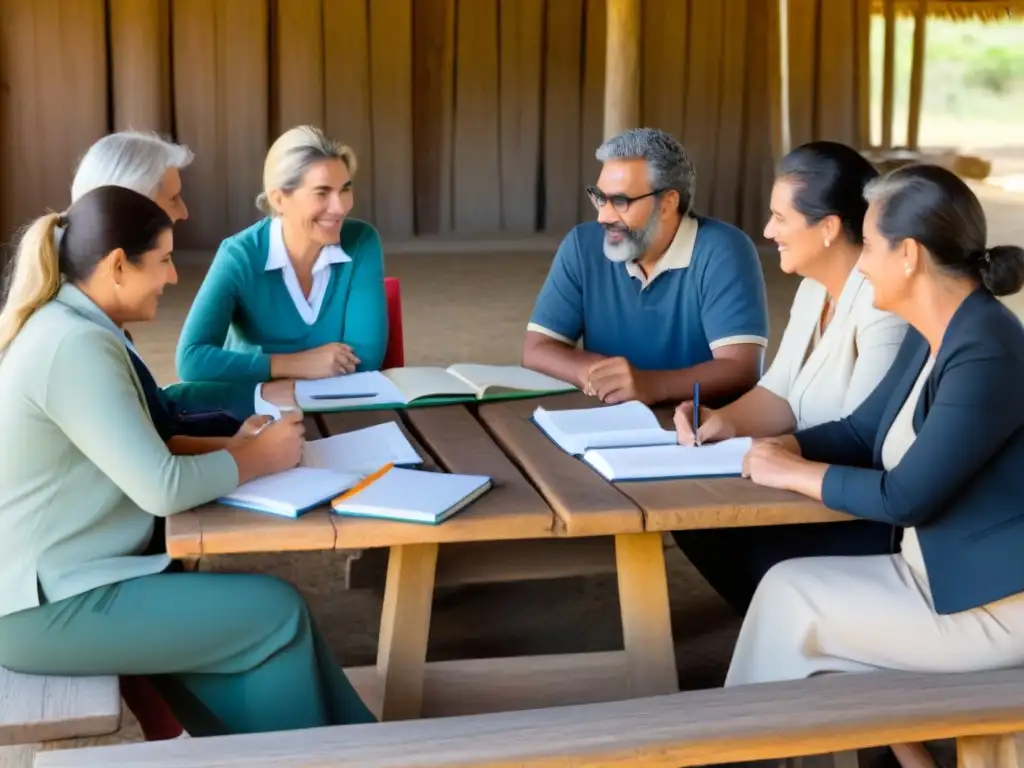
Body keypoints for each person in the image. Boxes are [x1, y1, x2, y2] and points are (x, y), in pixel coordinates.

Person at [0, 186, 376, 736]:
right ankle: (346, 751)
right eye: (165, 260)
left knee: (270, 632)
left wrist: (239, 450)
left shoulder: (70, 325)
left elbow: (141, 448)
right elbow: (162, 488)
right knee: (274, 614)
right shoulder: (73, 344)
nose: (174, 277)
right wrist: (257, 460)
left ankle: (362, 748)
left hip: (64, 584)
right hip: (41, 608)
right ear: (118, 266)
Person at [726, 165, 1024, 768]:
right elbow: (865, 431)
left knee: (796, 609)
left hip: (992, 607)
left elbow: (905, 498)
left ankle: (742, 746)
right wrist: (793, 446)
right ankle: (749, 744)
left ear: (909, 255)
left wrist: (792, 474)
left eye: (871, 244)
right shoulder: (934, 329)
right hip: (936, 578)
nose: (860, 263)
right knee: (785, 586)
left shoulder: (987, 348)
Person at [671, 142, 909, 614]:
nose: (766, 230)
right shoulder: (812, 289)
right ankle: (781, 623)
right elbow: (779, 394)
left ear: (828, 228)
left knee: (720, 528)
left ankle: (808, 632)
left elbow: (864, 439)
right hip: (796, 478)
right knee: (688, 516)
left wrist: (778, 454)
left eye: (780, 218)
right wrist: (720, 421)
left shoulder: (885, 308)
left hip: (852, 507)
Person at [523, 127, 769, 406]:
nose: (604, 216)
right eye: (600, 198)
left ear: (667, 203)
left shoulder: (724, 250)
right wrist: (601, 376)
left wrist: (649, 385)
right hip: (603, 420)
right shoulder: (582, 245)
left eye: (620, 201)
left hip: (698, 429)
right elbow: (537, 349)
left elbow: (741, 369)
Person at [175, 125, 388, 390]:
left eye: (345, 189)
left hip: (336, 405)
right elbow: (191, 360)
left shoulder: (362, 242)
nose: (340, 207)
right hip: (253, 411)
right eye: (322, 192)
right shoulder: (239, 255)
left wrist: (264, 369)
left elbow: (366, 360)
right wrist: (295, 364)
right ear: (278, 199)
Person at [71, 130, 252, 439]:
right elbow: (158, 475)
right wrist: (251, 453)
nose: (184, 212)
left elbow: (152, 413)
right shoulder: (81, 340)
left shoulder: (89, 306)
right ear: (127, 206)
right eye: (173, 199)